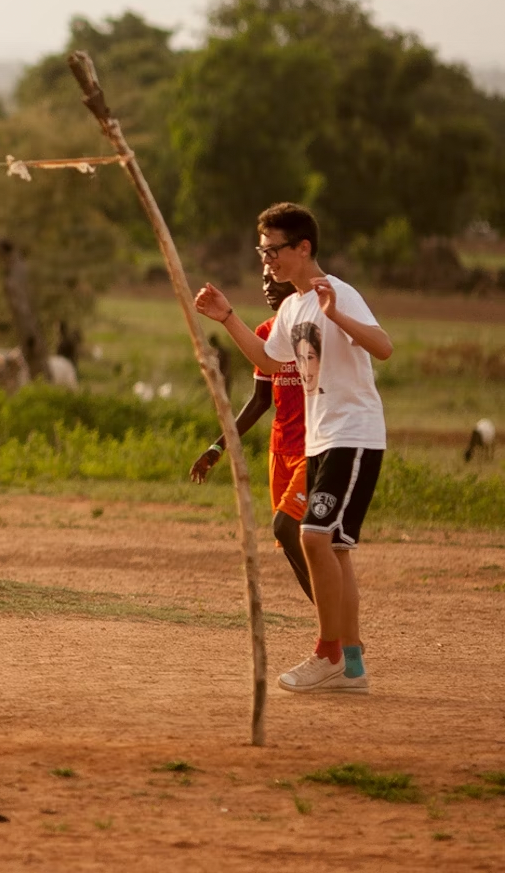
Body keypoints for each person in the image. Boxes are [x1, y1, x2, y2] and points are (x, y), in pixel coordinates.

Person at [195, 202, 393, 695]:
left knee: (311, 536)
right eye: (262, 254)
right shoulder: (291, 306)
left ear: (303, 248)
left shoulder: (337, 293)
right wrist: (227, 318)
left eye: (274, 252)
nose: (268, 263)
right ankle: (351, 667)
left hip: (353, 433)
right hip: (323, 437)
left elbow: (383, 346)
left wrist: (337, 316)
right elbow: (267, 358)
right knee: (337, 550)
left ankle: (326, 652)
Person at [189, 274, 312, 601]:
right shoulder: (265, 334)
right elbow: (260, 400)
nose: (267, 285)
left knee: (287, 528)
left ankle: (337, 628)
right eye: (263, 279)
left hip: (314, 449)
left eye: (274, 278)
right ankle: (331, 626)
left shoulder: (312, 331)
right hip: (280, 450)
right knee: (290, 542)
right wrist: (218, 446)